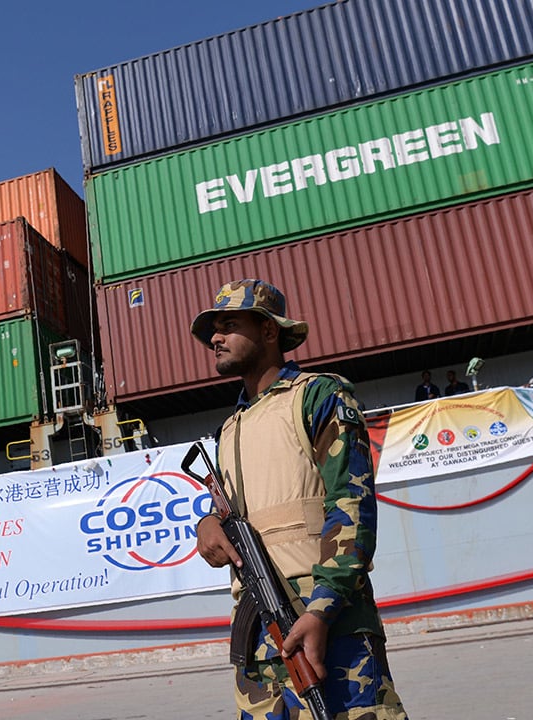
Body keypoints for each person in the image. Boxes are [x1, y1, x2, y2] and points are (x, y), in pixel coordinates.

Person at [190, 279, 407, 720]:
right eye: (214, 329)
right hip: (256, 633)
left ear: (269, 331)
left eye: (229, 325)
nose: (215, 337)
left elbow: (352, 501)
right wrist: (207, 526)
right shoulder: (230, 428)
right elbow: (233, 509)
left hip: (323, 618)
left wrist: (322, 611)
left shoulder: (318, 396)